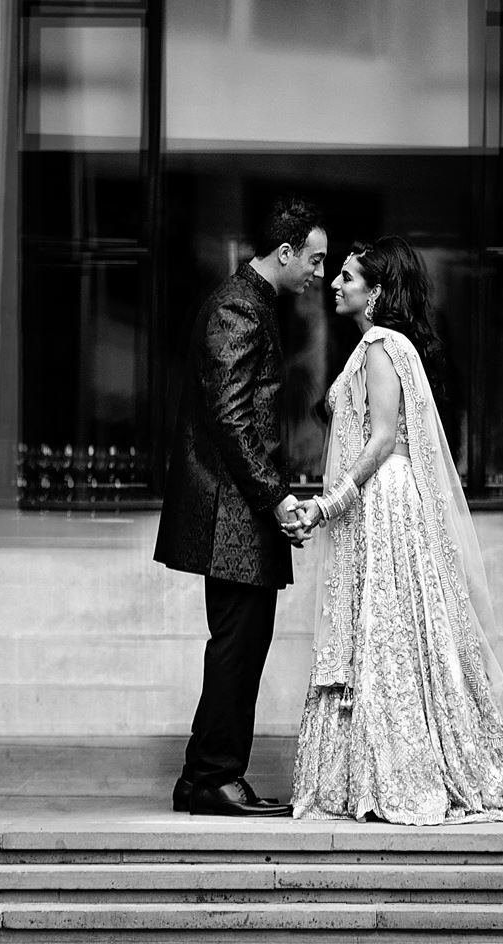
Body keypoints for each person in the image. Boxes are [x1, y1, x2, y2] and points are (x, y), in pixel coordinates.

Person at [291, 236, 503, 825]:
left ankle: (397, 771)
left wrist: (327, 505)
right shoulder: (390, 345)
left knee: (383, 632)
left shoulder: (377, 344)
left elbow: (383, 439)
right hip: (390, 499)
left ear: (376, 293)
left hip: (384, 498)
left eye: (347, 276)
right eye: (337, 274)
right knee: (392, 634)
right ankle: (385, 766)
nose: (335, 283)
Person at [154, 196, 328, 816]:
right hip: (233, 516)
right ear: (284, 253)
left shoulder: (253, 304)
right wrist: (278, 498)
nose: (320, 272)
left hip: (238, 513)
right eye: (314, 258)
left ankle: (203, 776)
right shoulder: (238, 306)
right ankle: (213, 780)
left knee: (238, 646)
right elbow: (230, 419)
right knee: (237, 647)